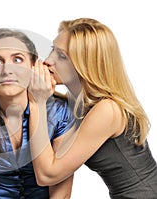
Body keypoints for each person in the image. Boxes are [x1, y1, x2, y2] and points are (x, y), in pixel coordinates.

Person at [28, 17, 157, 198]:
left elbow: (47, 174)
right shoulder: (77, 105)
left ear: (86, 65)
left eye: (62, 56)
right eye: (52, 50)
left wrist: (37, 103)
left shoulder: (108, 110)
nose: (48, 61)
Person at [0, 28, 76, 199]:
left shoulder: (61, 112)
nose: (7, 70)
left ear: (34, 66)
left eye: (17, 59)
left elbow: (61, 194)